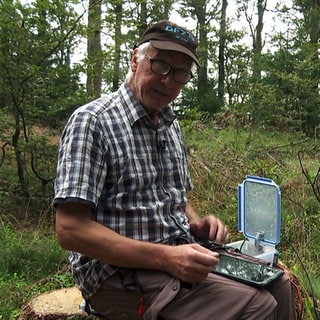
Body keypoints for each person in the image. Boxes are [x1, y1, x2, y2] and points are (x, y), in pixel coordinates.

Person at [54, 20, 296, 320]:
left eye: (180, 73)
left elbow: (175, 200)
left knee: (280, 286)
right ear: (135, 59)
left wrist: (196, 223)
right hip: (116, 276)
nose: (169, 81)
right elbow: (70, 229)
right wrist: (166, 257)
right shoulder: (93, 122)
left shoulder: (169, 125)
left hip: (176, 253)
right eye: (160, 66)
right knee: (257, 305)